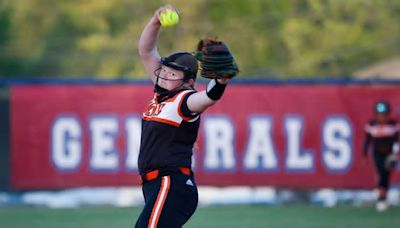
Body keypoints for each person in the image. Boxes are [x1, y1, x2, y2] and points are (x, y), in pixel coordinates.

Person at [135, 5, 233, 228]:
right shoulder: (162, 93)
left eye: (173, 73)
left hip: (171, 183)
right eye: (165, 70)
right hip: (155, 186)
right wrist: (155, 21)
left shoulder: (184, 99)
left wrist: (221, 80)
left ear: (188, 81)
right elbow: (146, 52)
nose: (164, 74)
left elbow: (208, 97)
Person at [363, 101, 399, 212]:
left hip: (389, 153)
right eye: (379, 114)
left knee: (386, 175)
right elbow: (367, 141)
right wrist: (364, 154)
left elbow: (396, 140)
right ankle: (381, 197)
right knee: (381, 172)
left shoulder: (393, 125)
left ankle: (383, 197)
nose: (382, 117)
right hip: (377, 153)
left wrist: (395, 154)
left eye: (384, 114)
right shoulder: (372, 124)